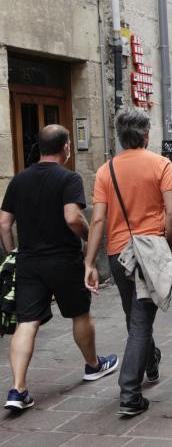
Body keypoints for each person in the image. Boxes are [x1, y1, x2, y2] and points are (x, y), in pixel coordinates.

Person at [0, 125, 118, 412]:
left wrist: (13, 250)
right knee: (79, 313)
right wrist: (89, 234)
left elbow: (4, 223)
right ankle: (92, 365)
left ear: (39, 147)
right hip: (64, 260)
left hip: (29, 261)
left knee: (27, 322)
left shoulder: (19, 180)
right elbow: (72, 216)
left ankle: (18, 388)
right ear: (66, 147)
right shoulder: (69, 178)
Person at [84, 108, 172, 416]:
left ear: (120, 137)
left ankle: (150, 361)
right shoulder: (162, 164)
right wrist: (168, 243)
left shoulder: (105, 171)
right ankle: (130, 393)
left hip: (117, 255)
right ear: (146, 135)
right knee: (140, 321)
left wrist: (89, 262)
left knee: (134, 316)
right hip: (148, 252)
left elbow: (97, 220)